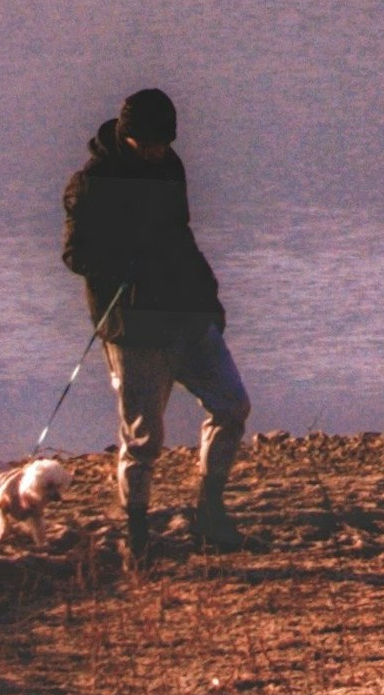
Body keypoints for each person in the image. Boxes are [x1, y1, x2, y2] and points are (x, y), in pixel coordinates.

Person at [59, 84, 250, 559]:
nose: (158, 151)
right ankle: (138, 535)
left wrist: (209, 295)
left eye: (165, 143)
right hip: (134, 326)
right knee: (143, 439)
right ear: (128, 138)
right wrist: (126, 261)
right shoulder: (91, 183)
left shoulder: (170, 166)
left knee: (232, 404)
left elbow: (182, 234)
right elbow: (74, 254)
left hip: (187, 314)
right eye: (151, 143)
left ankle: (209, 513)